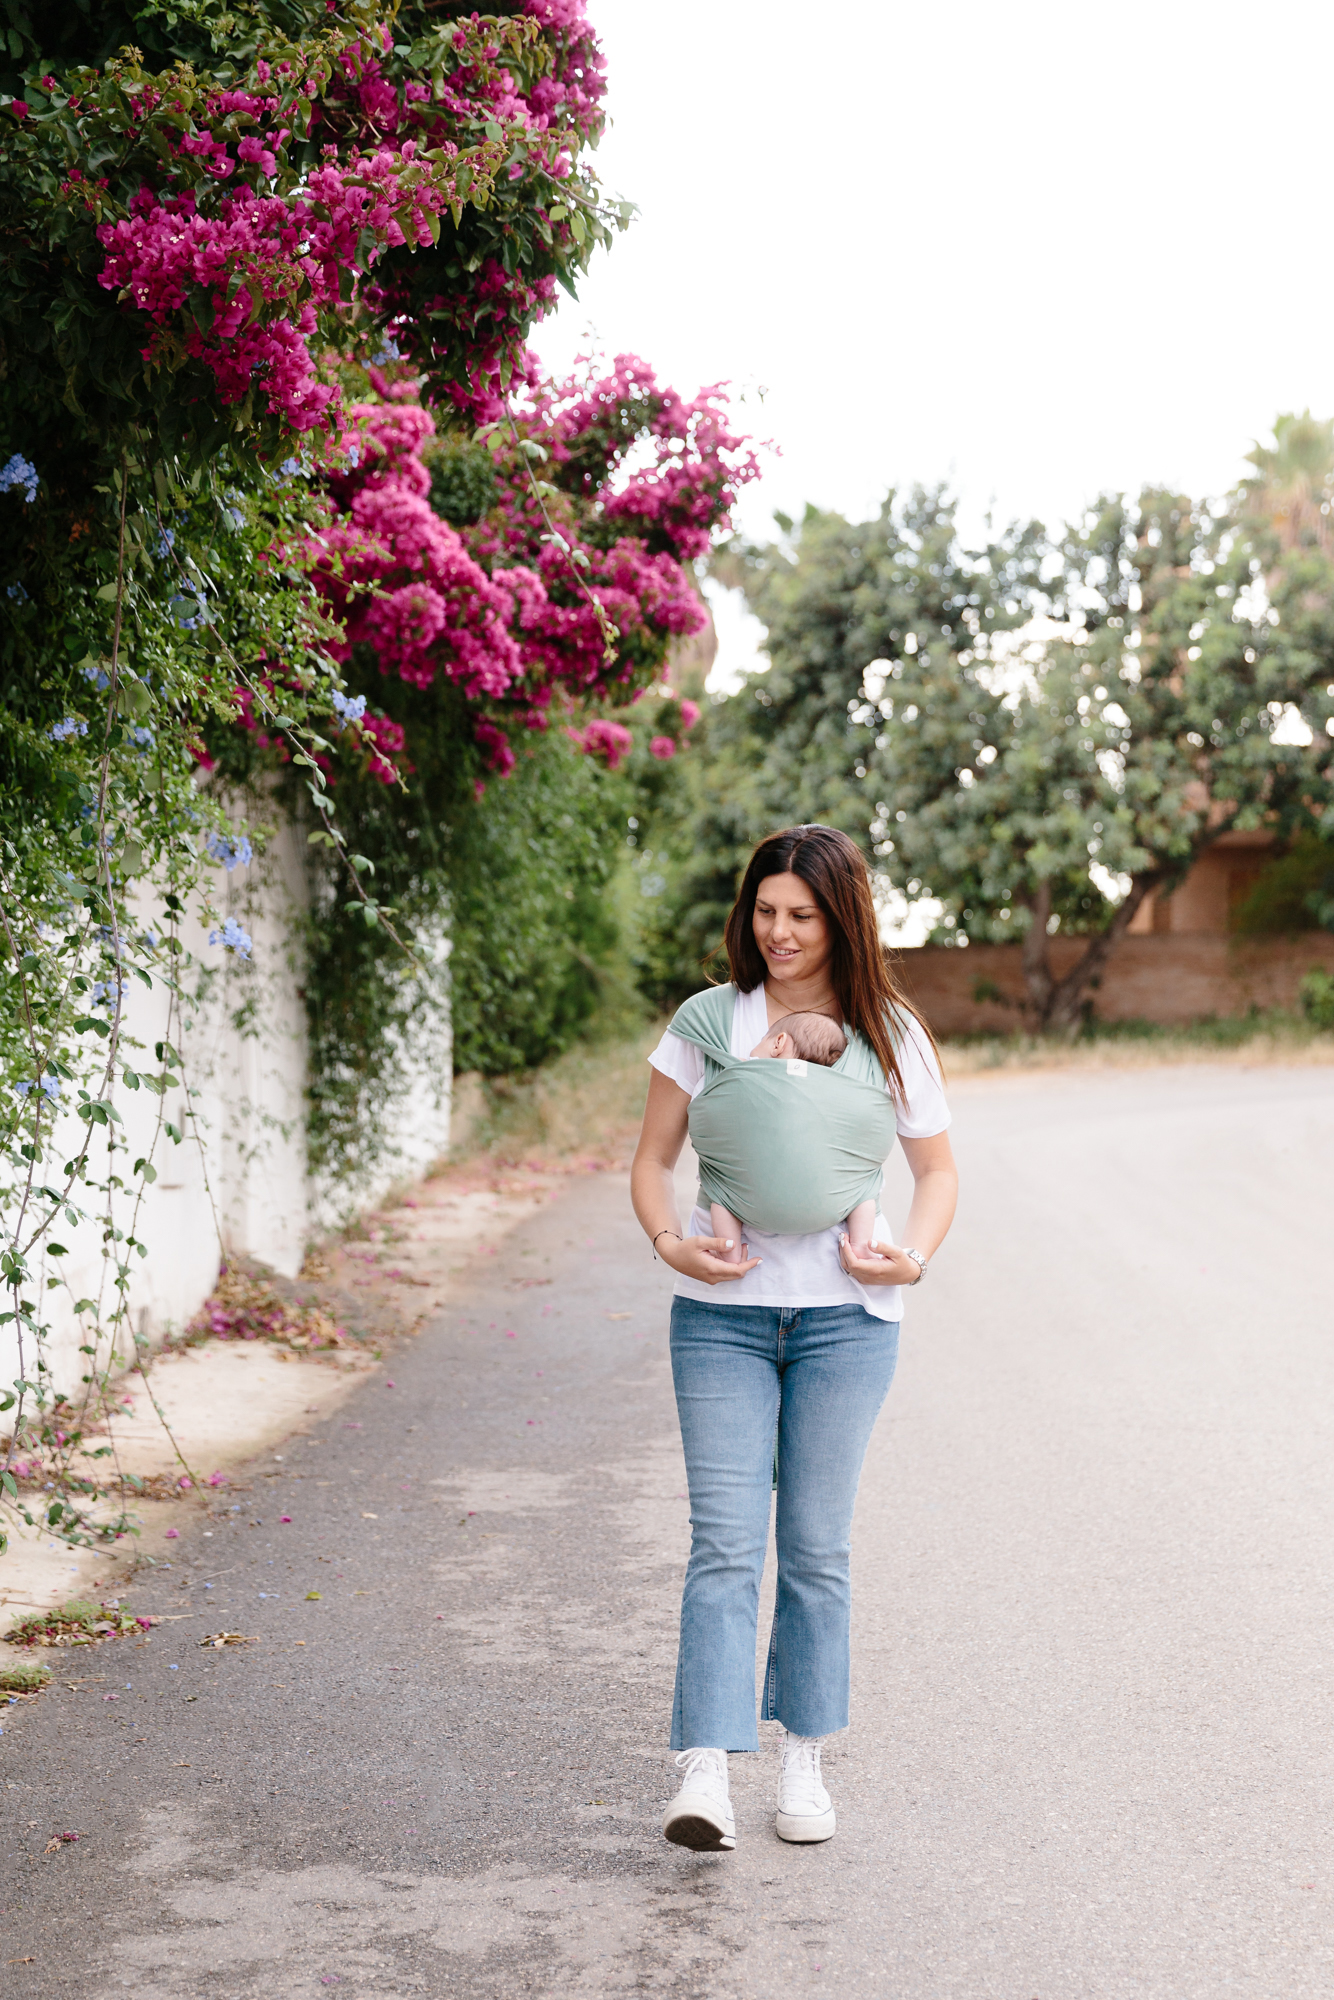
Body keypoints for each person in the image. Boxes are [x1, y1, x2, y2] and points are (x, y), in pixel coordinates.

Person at [630, 824, 957, 1852]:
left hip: (845, 1328)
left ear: (840, 917)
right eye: (764, 910)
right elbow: (649, 1160)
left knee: (815, 1547)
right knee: (723, 1543)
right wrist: (669, 1242)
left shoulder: (887, 1032)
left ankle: (802, 1753)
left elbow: (937, 1174)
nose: (777, 931)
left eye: (800, 915)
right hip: (720, 1323)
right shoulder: (707, 1020)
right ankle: (703, 1770)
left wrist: (909, 1256)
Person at [706, 1012, 879, 1267]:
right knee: (864, 1191)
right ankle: (861, 1247)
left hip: (753, 1188)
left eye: (761, 1043)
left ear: (778, 1043)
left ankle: (729, 1251)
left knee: (721, 1195)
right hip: (824, 1187)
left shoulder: (750, 1070)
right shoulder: (835, 1086)